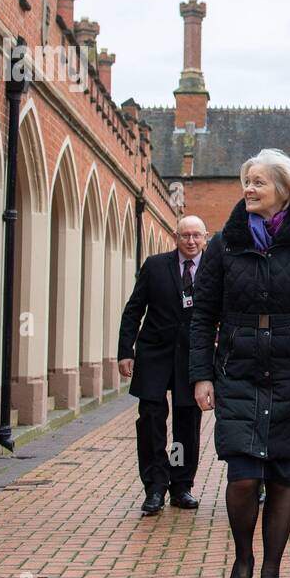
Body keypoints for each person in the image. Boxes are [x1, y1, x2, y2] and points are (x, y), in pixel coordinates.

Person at [188, 149, 290, 578]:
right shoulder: (223, 243)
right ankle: (243, 560)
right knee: (243, 473)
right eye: (246, 181)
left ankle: (272, 571)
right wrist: (201, 374)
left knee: (282, 475)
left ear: (284, 190)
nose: (249, 189)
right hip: (238, 368)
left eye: (259, 182)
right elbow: (203, 315)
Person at [118, 215, 209, 517]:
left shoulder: (213, 270)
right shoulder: (155, 266)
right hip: (154, 355)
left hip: (192, 360)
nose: (191, 241)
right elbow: (134, 310)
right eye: (186, 235)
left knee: (186, 426)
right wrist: (125, 351)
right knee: (151, 423)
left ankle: (181, 485)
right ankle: (155, 487)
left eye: (196, 235)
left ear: (205, 237)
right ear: (175, 237)